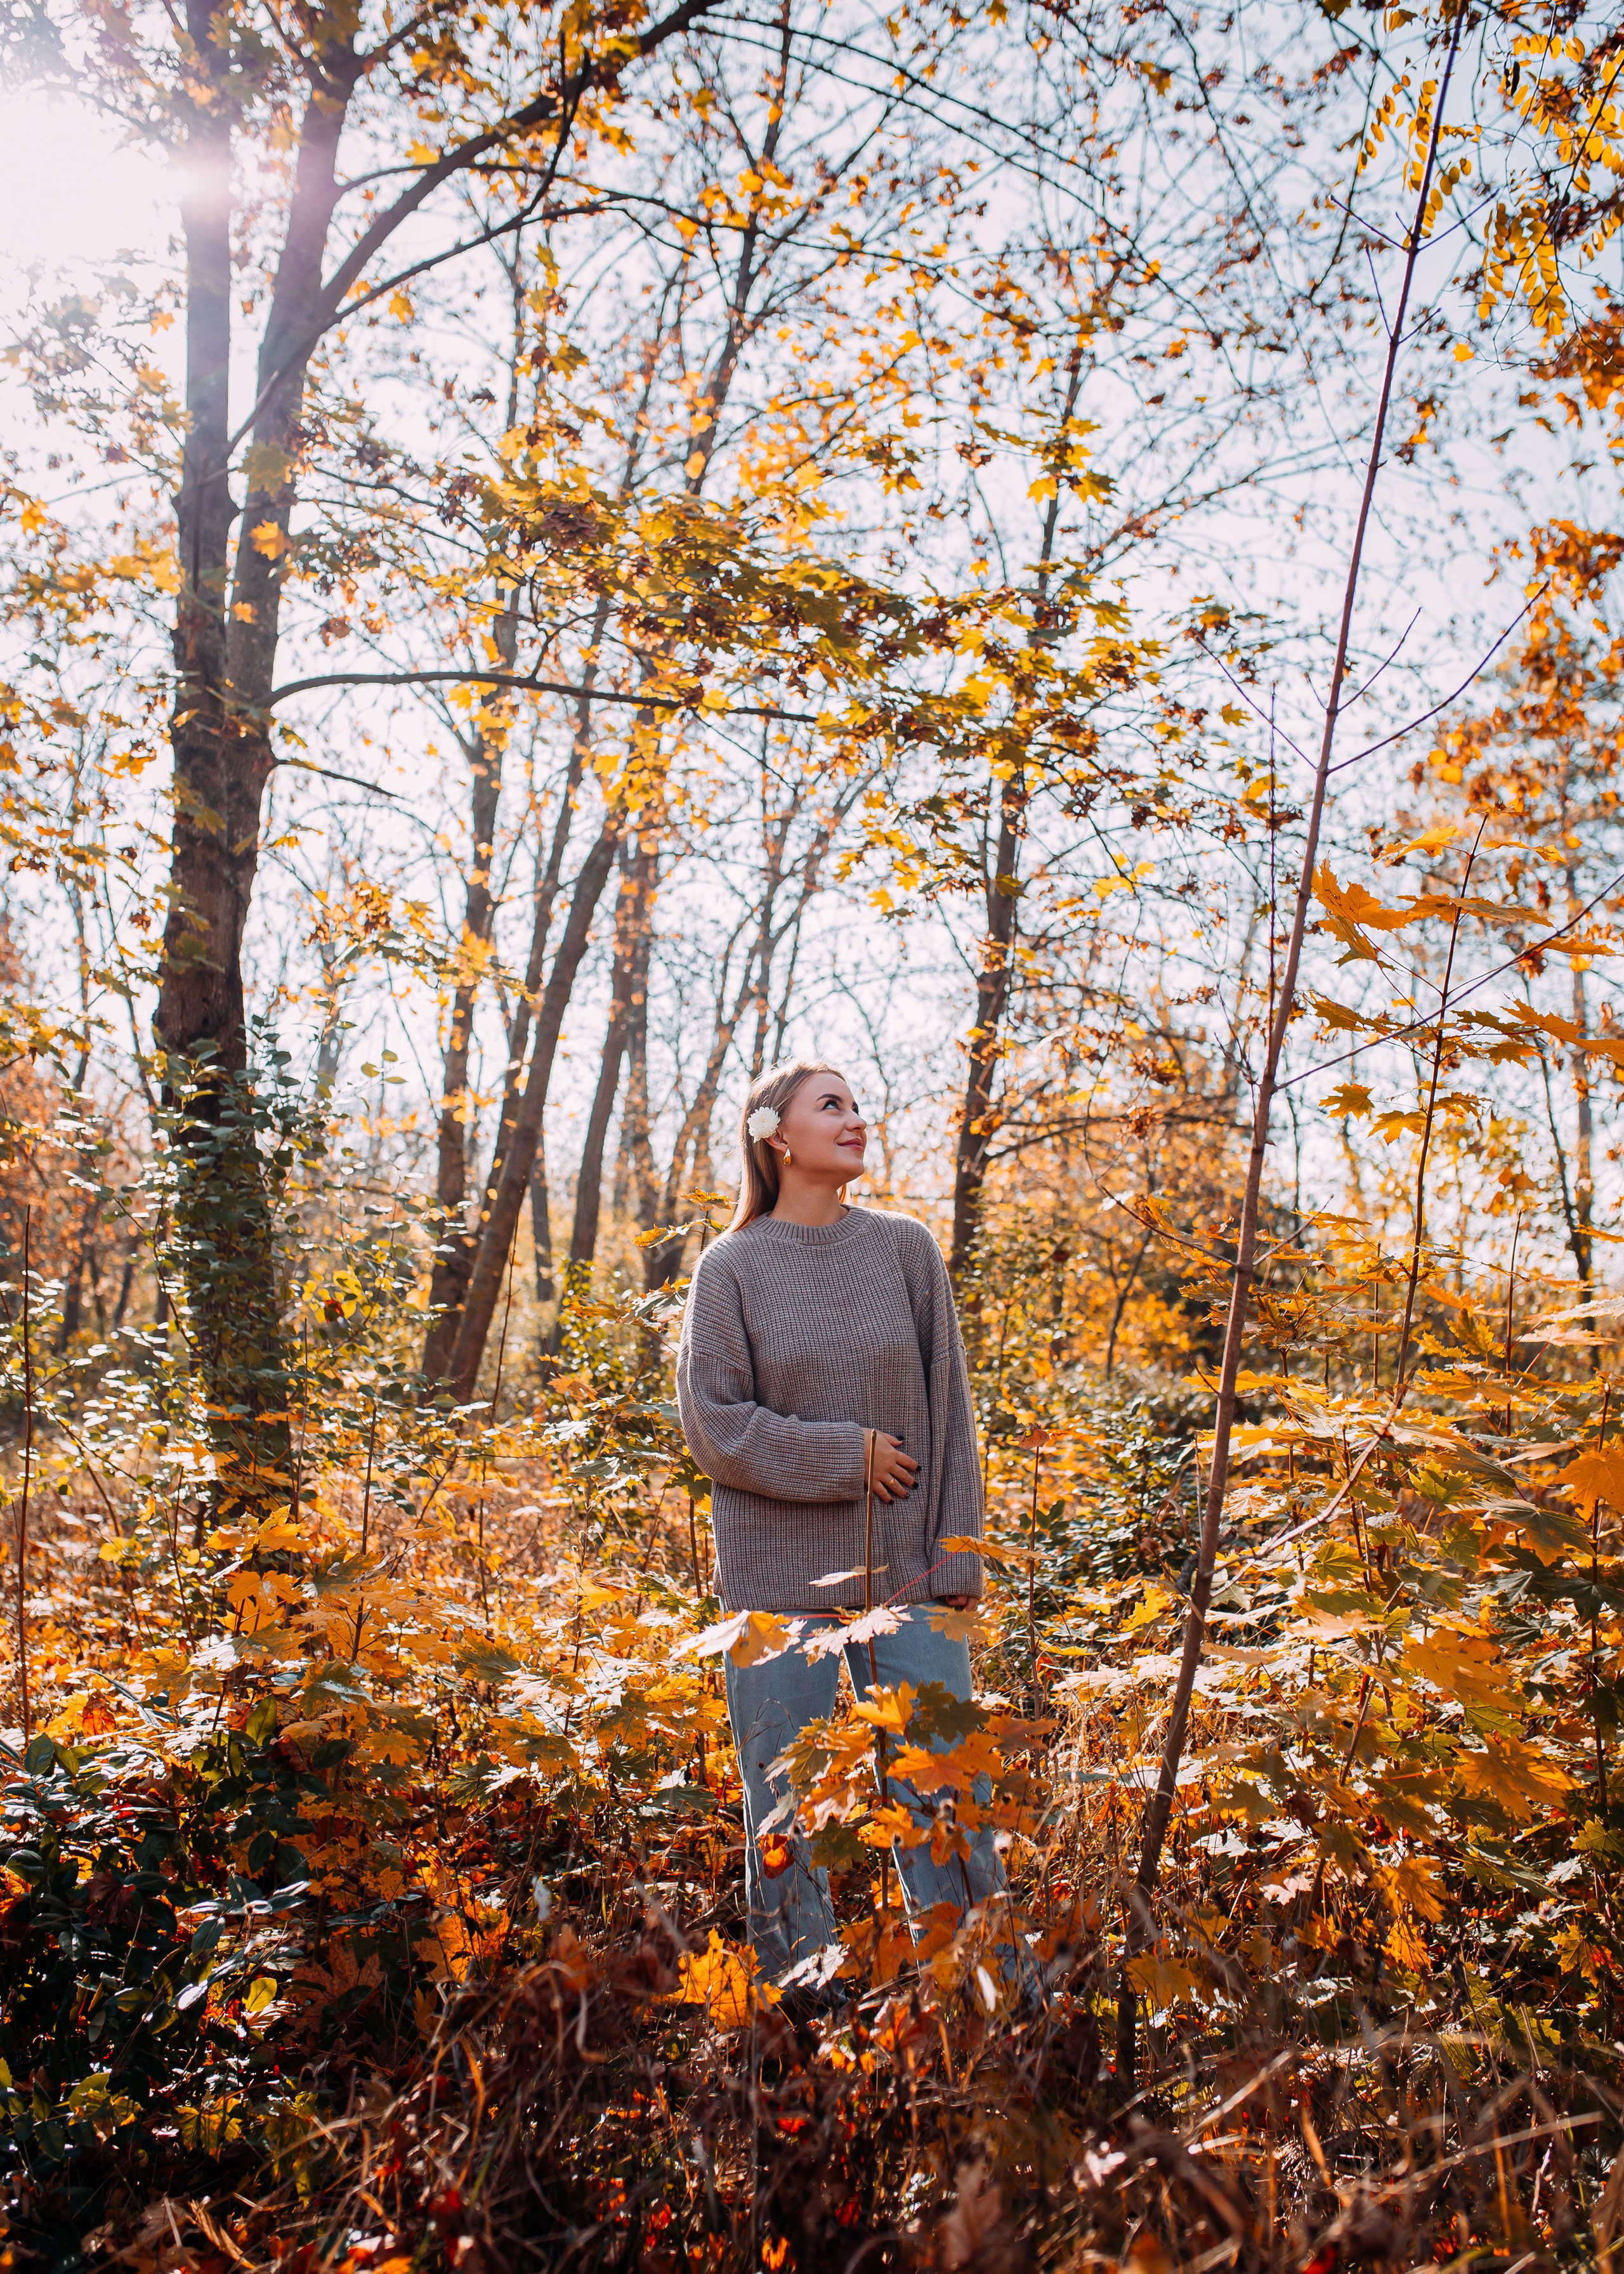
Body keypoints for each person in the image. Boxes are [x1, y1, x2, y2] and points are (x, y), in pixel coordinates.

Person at [675, 1057, 1009, 1995]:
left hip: (908, 1580)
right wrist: (845, 1455)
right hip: (776, 1594)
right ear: (775, 1133)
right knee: (782, 1812)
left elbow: (951, 1408)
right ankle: (804, 2007)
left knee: (949, 1791)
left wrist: (956, 1553)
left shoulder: (904, 1249)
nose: (857, 1118)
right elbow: (716, 1424)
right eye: (833, 1105)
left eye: (860, 1103)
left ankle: (978, 1993)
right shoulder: (729, 1268)